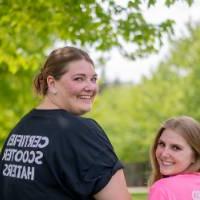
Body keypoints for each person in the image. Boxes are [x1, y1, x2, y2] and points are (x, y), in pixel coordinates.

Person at [0, 46, 131, 200]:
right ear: (52, 83)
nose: (90, 87)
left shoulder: (20, 129)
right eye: (78, 79)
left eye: (93, 79)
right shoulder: (81, 132)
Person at [148, 116, 200, 200]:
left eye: (176, 148)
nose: (164, 154)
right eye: (162, 144)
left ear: (195, 156)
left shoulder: (163, 189)